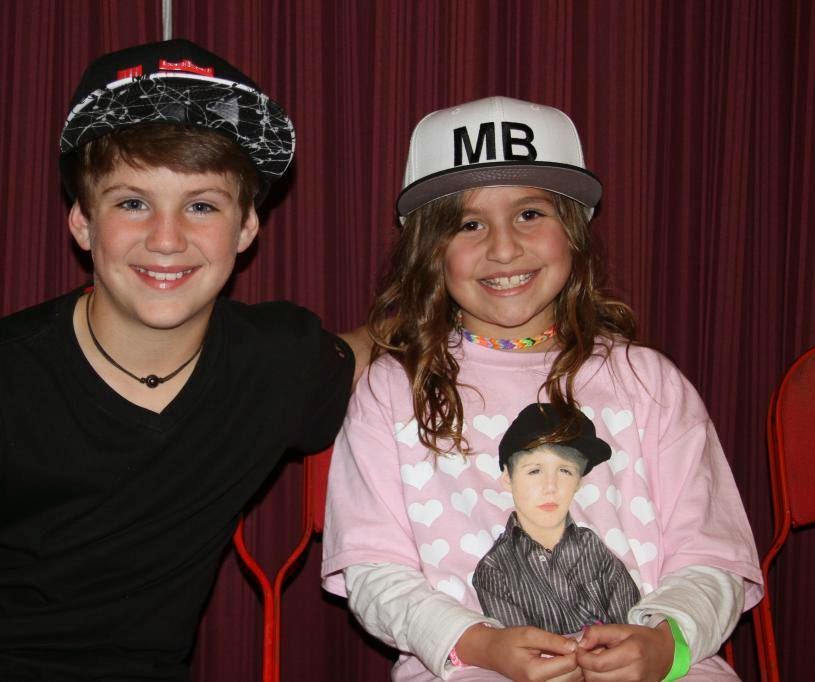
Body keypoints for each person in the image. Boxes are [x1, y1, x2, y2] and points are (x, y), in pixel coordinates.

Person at [0, 39, 365, 680]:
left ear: (247, 227)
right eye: (132, 202)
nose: (166, 239)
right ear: (82, 221)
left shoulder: (276, 362)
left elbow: (385, 342)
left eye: (201, 205)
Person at [322, 95, 762, 681]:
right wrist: (479, 644)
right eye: (469, 224)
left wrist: (664, 642)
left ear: (574, 233)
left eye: (530, 214)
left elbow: (713, 555)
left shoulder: (650, 382)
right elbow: (375, 570)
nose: (504, 248)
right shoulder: (391, 391)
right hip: (468, 666)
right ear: (429, 251)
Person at [472, 402, 640, 635]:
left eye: (565, 471)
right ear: (508, 478)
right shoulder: (495, 568)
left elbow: (631, 627)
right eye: (534, 471)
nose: (550, 486)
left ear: (579, 481)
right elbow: (521, 645)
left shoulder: (592, 547)